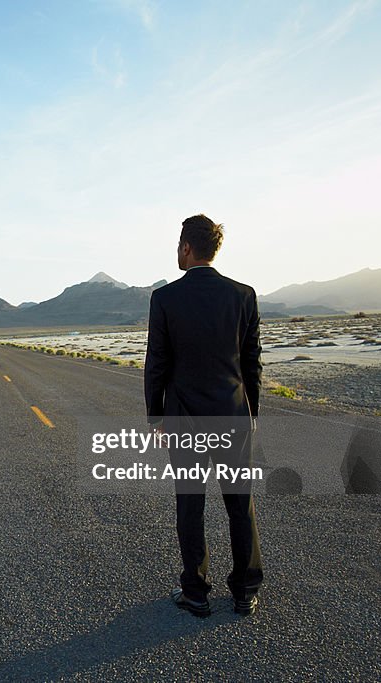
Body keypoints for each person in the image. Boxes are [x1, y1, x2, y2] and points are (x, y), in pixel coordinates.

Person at [144, 214, 264, 617]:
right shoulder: (243, 295)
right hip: (233, 415)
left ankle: (195, 592)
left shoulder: (165, 299)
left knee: (190, 505)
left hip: (184, 419)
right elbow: (252, 363)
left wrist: (155, 416)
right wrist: (252, 412)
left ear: (186, 248)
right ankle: (245, 591)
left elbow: (156, 362)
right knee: (239, 504)